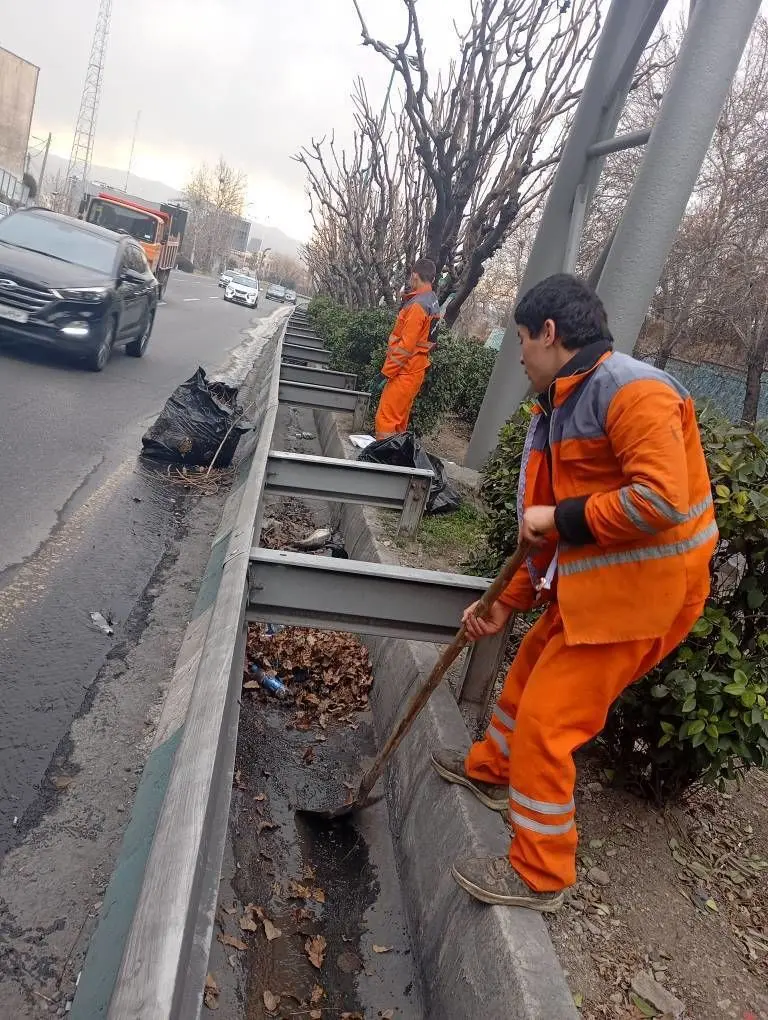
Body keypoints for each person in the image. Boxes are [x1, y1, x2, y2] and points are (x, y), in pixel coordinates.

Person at [431, 273, 717, 912]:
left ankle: (541, 873)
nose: (521, 356)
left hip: (641, 598)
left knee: (548, 721)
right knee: (526, 676)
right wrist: (507, 600)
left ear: (549, 333)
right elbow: (544, 529)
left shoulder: (631, 391)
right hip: (595, 590)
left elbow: (661, 500)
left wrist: (559, 521)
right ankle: (491, 771)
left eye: (522, 342)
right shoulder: (560, 405)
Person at [373, 258, 441, 439]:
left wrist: (385, 373)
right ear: (432, 279)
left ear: (414, 275)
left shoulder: (417, 306)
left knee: (386, 420)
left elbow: (405, 347)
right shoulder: (431, 301)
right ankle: (392, 460)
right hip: (416, 369)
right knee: (399, 420)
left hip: (405, 371)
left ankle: (381, 464)